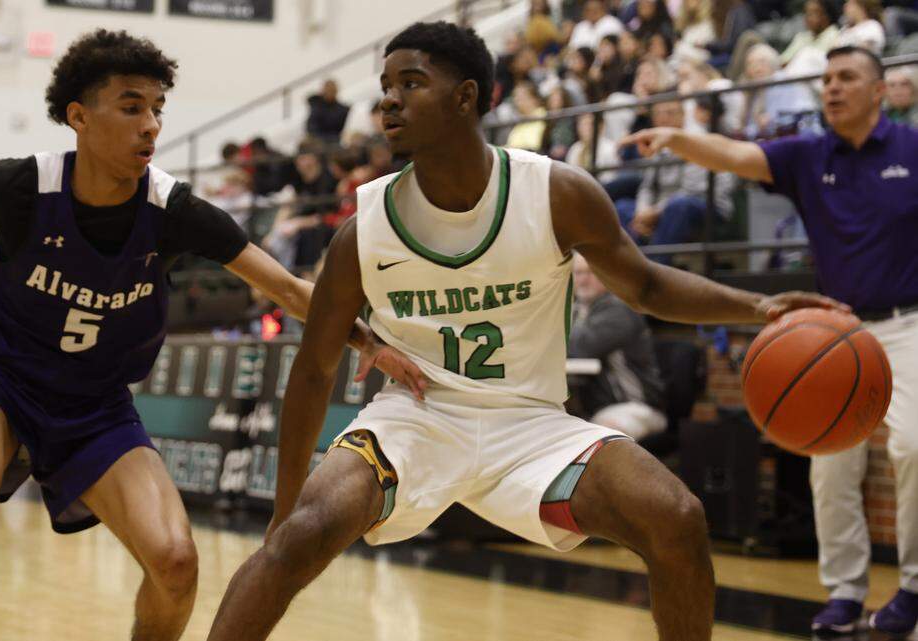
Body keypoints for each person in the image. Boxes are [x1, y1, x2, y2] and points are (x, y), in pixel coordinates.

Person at [205, 21, 842, 641]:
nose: (388, 99)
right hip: (415, 421)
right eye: (385, 85)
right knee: (302, 534)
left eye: (411, 83)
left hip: (532, 425)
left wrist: (758, 308)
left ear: (466, 97)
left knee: (676, 518)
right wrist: (282, 511)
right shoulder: (363, 228)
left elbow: (646, 286)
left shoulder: (554, 192)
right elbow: (314, 369)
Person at [0, 30, 423, 641]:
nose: (152, 125)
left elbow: (292, 290)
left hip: (96, 407)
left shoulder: (174, 210)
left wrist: (369, 342)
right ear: (79, 118)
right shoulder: (20, 185)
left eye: (158, 109)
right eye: (132, 106)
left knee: (176, 562)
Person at [623, 46, 918, 636]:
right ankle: (844, 593)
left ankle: (913, 587)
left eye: (847, 77)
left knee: (913, 446)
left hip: (909, 322)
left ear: (880, 90)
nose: (831, 87)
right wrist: (679, 141)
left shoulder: (913, 149)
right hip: (835, 327)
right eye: (827, 78)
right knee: (829, 463)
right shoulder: (809, 155)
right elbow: (735, 155)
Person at [616, 95, 735, 250]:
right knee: (622, 207)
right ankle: (634, 266)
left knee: (678, 206)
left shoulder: (695, 139)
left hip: (705, 204)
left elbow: (691, 191)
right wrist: (642, 210)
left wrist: (655, 212)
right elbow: (647, 187)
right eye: (659, 113)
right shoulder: (656, 142)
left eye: (670, 113)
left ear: (683, 115)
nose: (664, 118)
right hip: (664, 206)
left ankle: (656, 267)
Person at [569, 254, 666, 441]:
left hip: (635, 406)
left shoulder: (620, 308)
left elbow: (579, 347)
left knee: (598, 437)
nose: (583, 279)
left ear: (608, 275)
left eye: (590, 272)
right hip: (596, 409)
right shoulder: (576, 309)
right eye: (578, 273)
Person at [304, 79, 350, 144]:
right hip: (318, 140)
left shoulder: (343, 110)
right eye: (328, 90)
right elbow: (311, 128)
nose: (330, 93)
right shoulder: (316, 107)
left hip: (336, 141)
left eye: (332, 90)